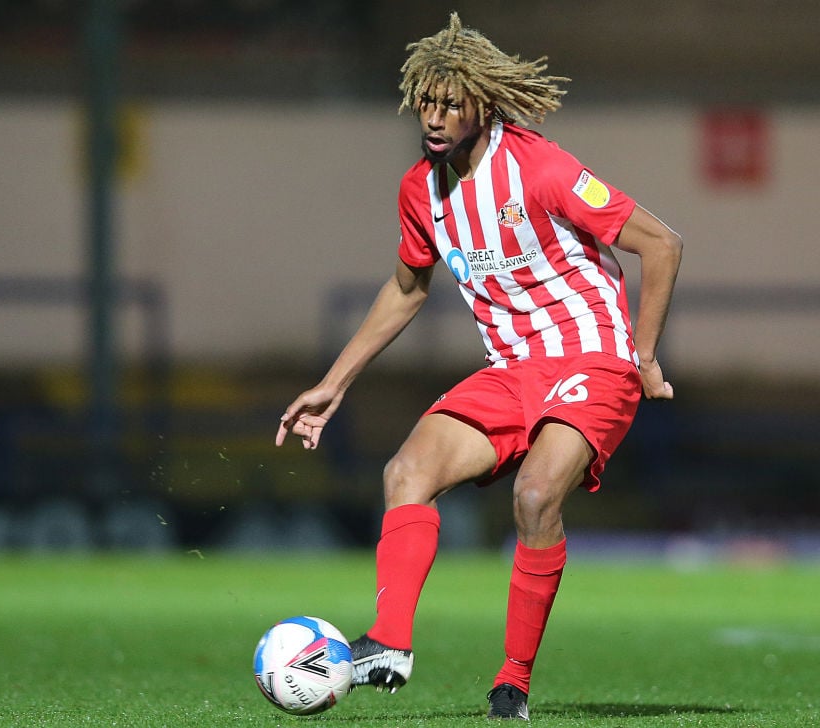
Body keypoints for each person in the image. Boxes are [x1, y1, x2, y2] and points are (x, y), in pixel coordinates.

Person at [276, 12, 682, 721]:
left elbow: (663, 244)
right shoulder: (420, 190)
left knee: (535, 497)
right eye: (425, 104)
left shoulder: (541, 169)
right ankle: (390, 643)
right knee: (406, 472)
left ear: (483, 105)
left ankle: (512, 683)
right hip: (511, 370)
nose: (434, 119)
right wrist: (332, 384)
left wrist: (643, 355)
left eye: (450, 104)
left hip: (591, 359)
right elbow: (407, 289)